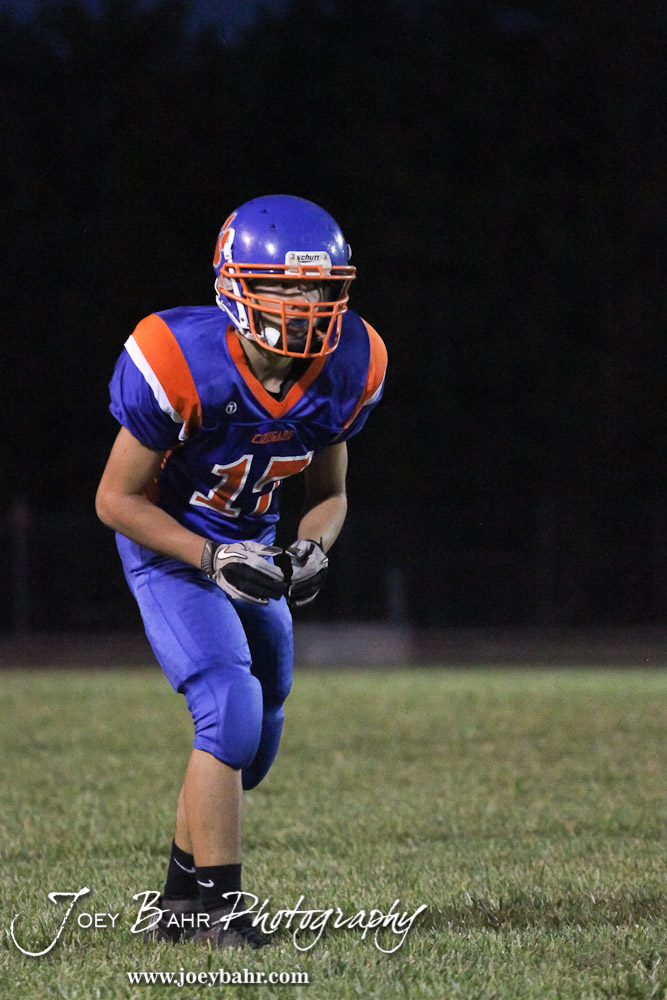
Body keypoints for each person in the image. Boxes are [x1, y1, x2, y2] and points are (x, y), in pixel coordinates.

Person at [95, 194, 387, 950]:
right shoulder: (179, 357)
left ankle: (178, 906)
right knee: (227, 706)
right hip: (174, 549)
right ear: (235, 285)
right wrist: (208, 556)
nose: (305, 303)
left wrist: (312, 547)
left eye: (318, 286)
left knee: (253, 742)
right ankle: (220, 916)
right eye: (285, 285)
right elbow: (114, 499)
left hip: (253, 550)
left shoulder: (348, 365)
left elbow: (329, 495)